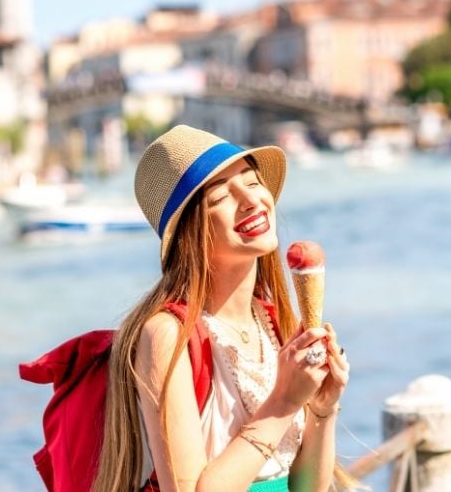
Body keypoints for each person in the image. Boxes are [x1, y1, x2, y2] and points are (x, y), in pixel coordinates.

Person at [92, 125, 352, 491]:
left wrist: (322, 408)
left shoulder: (274, 321)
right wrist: (283, 401)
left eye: (251, 180)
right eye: (219, 197)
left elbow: (307, 489)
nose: (250, 200)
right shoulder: (168, 335)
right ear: (188, 232)